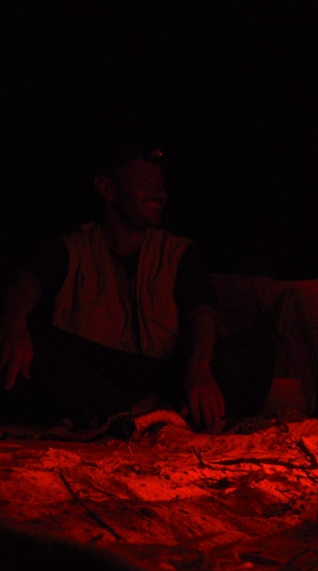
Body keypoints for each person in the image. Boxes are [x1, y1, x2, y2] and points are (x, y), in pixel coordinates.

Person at [0, 145, 275, 431]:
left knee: (259, 347)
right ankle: (131, 412)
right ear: (107, 189)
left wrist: (201, 366)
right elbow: (26, 285)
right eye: (145, 182)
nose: (159, 193)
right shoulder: (72, 248)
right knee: (29, 340)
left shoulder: (177, 251)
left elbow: (202, 313)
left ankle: (164, 411)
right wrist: (15, 322)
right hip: (97, 373)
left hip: (163, 375)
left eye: (160, 184)